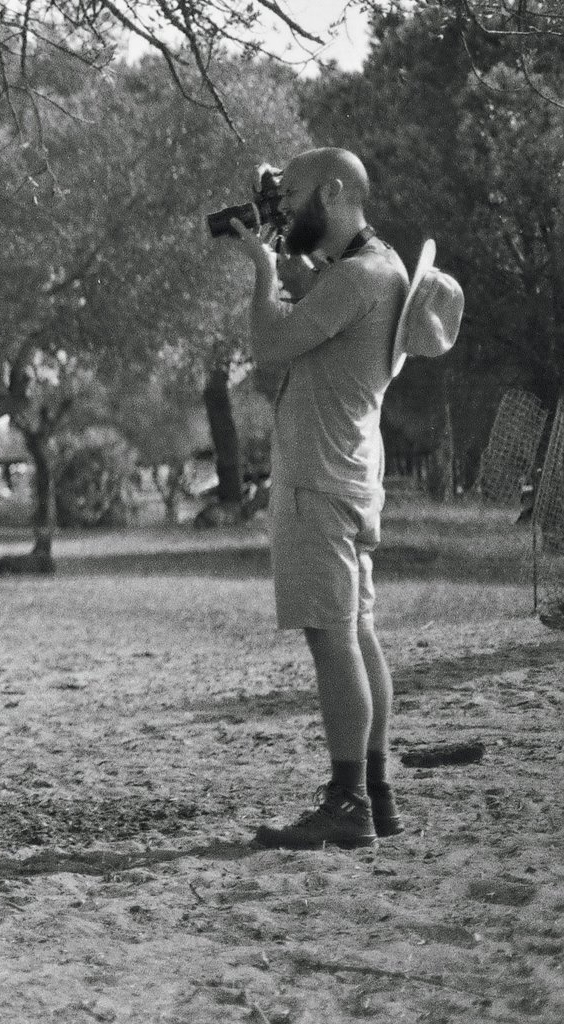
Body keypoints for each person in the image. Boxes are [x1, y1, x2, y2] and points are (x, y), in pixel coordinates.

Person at [226, 147, 410, 849]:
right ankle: (376, 795)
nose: (281, 208)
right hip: (352, 476)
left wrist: (264, 272)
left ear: (332, 192)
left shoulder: (356, 278)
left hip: (317, 482)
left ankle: (348, 802)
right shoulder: (381, 268)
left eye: (292, 194)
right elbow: (325, 317)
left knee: (331, 639)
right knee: (357, 633)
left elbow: (269, 346)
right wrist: (297, 266)